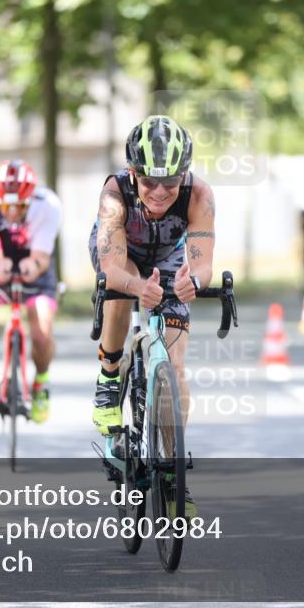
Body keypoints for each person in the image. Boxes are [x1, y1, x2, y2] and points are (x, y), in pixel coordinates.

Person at [88, 115, 216, 517]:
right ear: (132, 174)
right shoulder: (114, 194)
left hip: (169, 256)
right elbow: (111, 266)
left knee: (175, 369)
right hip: (121, 253)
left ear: (185, 176)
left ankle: (174, 479)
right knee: (121, 292)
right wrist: (136, 286)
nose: (160, 192)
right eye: (148, 182)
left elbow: (204, 263)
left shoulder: (200, 195)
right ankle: (110, 376)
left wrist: (192, 281)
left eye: (171, 183)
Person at [0, 160, 61, 423]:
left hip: (34, 260)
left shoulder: (48, 205)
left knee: (42, 332)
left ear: (30, 199)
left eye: (20, 206)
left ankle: (41, 385)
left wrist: (33, 265)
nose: (11, 212)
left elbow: (42, 257)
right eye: (6, 206)